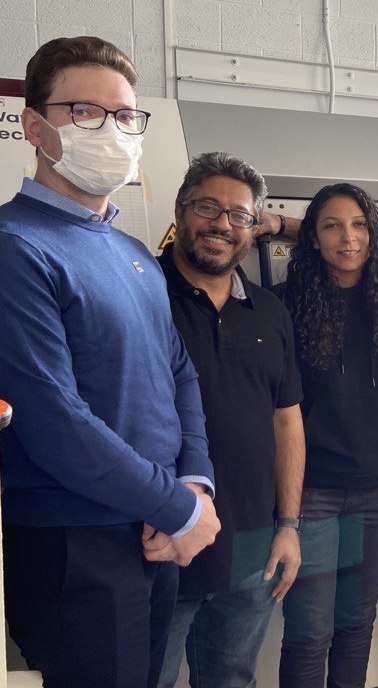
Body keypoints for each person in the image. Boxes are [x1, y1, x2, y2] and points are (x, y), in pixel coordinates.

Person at [0, 36, 220, 687]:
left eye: (126, 116)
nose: (113, 130)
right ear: (35, 126)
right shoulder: (17, 248)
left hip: (153, 532)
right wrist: (177, 508)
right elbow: (51, 418)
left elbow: (180, 373)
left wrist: (197, 485)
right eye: (85, 113)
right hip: (77, 543)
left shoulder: (132, 253)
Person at [153, 152, 306, 687]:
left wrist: (288, 526)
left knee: (231, 679)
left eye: (239, 215)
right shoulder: (141, 293)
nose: (222, 224)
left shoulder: (270, 312)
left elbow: (287, 423)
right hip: (160, 542)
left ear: (253, 227)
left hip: (251, 548)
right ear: (180, 209)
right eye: (208, 207)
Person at [278, 182, 378, 688]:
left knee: (354, 625)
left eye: (359, 224)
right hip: (312, 494)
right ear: (314, 239)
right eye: (331, 225)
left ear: (374, 233)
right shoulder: (286, 307)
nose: (348, 238)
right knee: (309, 632)